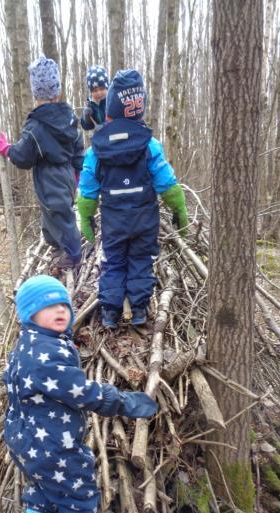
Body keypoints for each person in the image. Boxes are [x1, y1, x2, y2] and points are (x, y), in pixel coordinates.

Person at [3, 274, 158, 513]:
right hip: (54, 444)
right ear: (29, 314)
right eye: (48, 307)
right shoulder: (47, 355)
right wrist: (122, 402)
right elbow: (81, 392)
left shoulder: (27, 344)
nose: (60, 311)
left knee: (42, 477)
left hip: (22, 438)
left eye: (63, 305)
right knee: (79, 492)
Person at [77, 69, 188, 328]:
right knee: (140, 261)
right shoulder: (150, 145)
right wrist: (178, 208)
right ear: (140, 111)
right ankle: (138, 310)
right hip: (144, 219)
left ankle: (110, 313)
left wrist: (86, 216)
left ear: (108, 113)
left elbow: (87, 187)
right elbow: (166, 182)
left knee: (113, 262)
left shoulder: (97, 149)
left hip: (114, 220)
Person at [0, 56, 83, 269]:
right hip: (67, 175)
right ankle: (59, 248)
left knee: (58, 214)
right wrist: (76, 173)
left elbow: (24, 157)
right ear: (57, 91)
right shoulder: (69, 118)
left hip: (51, 179)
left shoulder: (37, 126)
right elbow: (78, 146)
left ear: (35, 93)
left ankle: (73, 255)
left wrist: (7, 149)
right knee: (52, 216)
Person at [80, 65, 109, 131]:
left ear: (106, 87)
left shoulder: (112, 100)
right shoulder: (90, 104)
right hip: (100, 138)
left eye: (101, 89)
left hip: (114, 137)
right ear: (90, 91)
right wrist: (86, 118)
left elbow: (117, 120)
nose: (99, 93)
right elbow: (87, 127)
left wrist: (104, 126)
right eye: (95, 90)